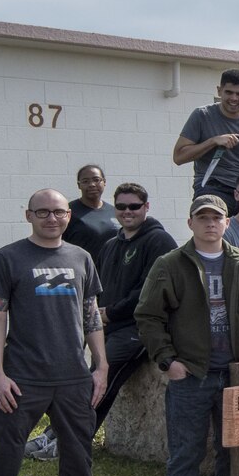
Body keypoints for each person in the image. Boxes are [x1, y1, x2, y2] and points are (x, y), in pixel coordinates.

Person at [0, 190, 127, 476]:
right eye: (42, 212)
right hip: (21, 380)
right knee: (3, 465)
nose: (51, 218)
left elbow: (91, 313)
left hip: (74, 378)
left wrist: (101, 366)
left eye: (59, 212)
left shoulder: (81, 258)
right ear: (28, 214)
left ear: (68, 216)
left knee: (79, 462)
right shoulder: (9, 257)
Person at [133, 194, 239, 476]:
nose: (210, 223)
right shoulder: (170, 264)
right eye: (202, 217)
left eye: (217, 218)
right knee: (185, 454)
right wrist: (168, 361)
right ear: (191, 222)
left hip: (235, 375)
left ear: (227, 223)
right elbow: (148, 316)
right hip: (190, 374)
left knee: (234, 453)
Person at [88, 182, 178, 437]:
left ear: (146, 207)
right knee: (89, 378)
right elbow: (98, 288)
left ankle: (69, 437)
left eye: (134, 206)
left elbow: (147, 293)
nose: (128, 211)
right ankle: (63, 433)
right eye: (121, 206)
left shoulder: (159, 241)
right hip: (107, 326)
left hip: (138, 330)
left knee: (101, 378)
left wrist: (111, 313)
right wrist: (99, 316)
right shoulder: (110, 245)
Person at [174, 68, 239, 205]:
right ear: (219, 91)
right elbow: (178, 157)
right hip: (210, 185)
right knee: (212, 217)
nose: (233, 98)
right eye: (228, 92)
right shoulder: (202, 115)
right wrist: (213, 141)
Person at [62, 164, 120, 257]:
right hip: (82, 269)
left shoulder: (114, 211)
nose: (92, 185)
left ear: (104, 182)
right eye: (85, 181)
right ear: (79, 185)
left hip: (111, 269)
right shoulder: (67, 212)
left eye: (96, 180)